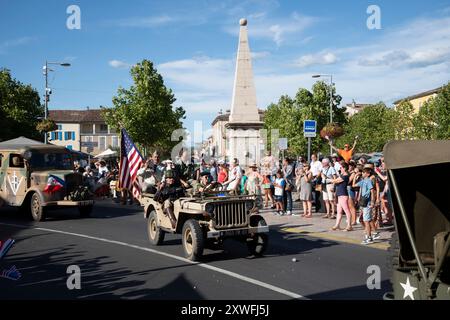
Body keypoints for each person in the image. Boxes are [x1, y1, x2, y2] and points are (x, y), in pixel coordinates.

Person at [353, 168, 381, 244]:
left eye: (364, 172)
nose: (362, 173)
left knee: (366, 220)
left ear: (368, 174)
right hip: (364, 202)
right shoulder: (363, 181)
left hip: (368, 202)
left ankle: (369, 237)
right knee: (368, 219)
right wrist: (355, 176)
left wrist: (372, 201)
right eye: (362, 172)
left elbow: (372, 191)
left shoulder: (368, 181)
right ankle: (374, 232)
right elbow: (354, 185)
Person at [330, 162, 353, 231]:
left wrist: (330, 180)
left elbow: (336, 181)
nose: (340, 169)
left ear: (344, 168)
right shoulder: (341, 175)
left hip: (343, 194)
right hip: (339, 194)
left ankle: (349, 225)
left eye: (341, 167)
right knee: (339, 211)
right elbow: (336, 181)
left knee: (346, 210)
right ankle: (337, 225)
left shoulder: (345, 176)